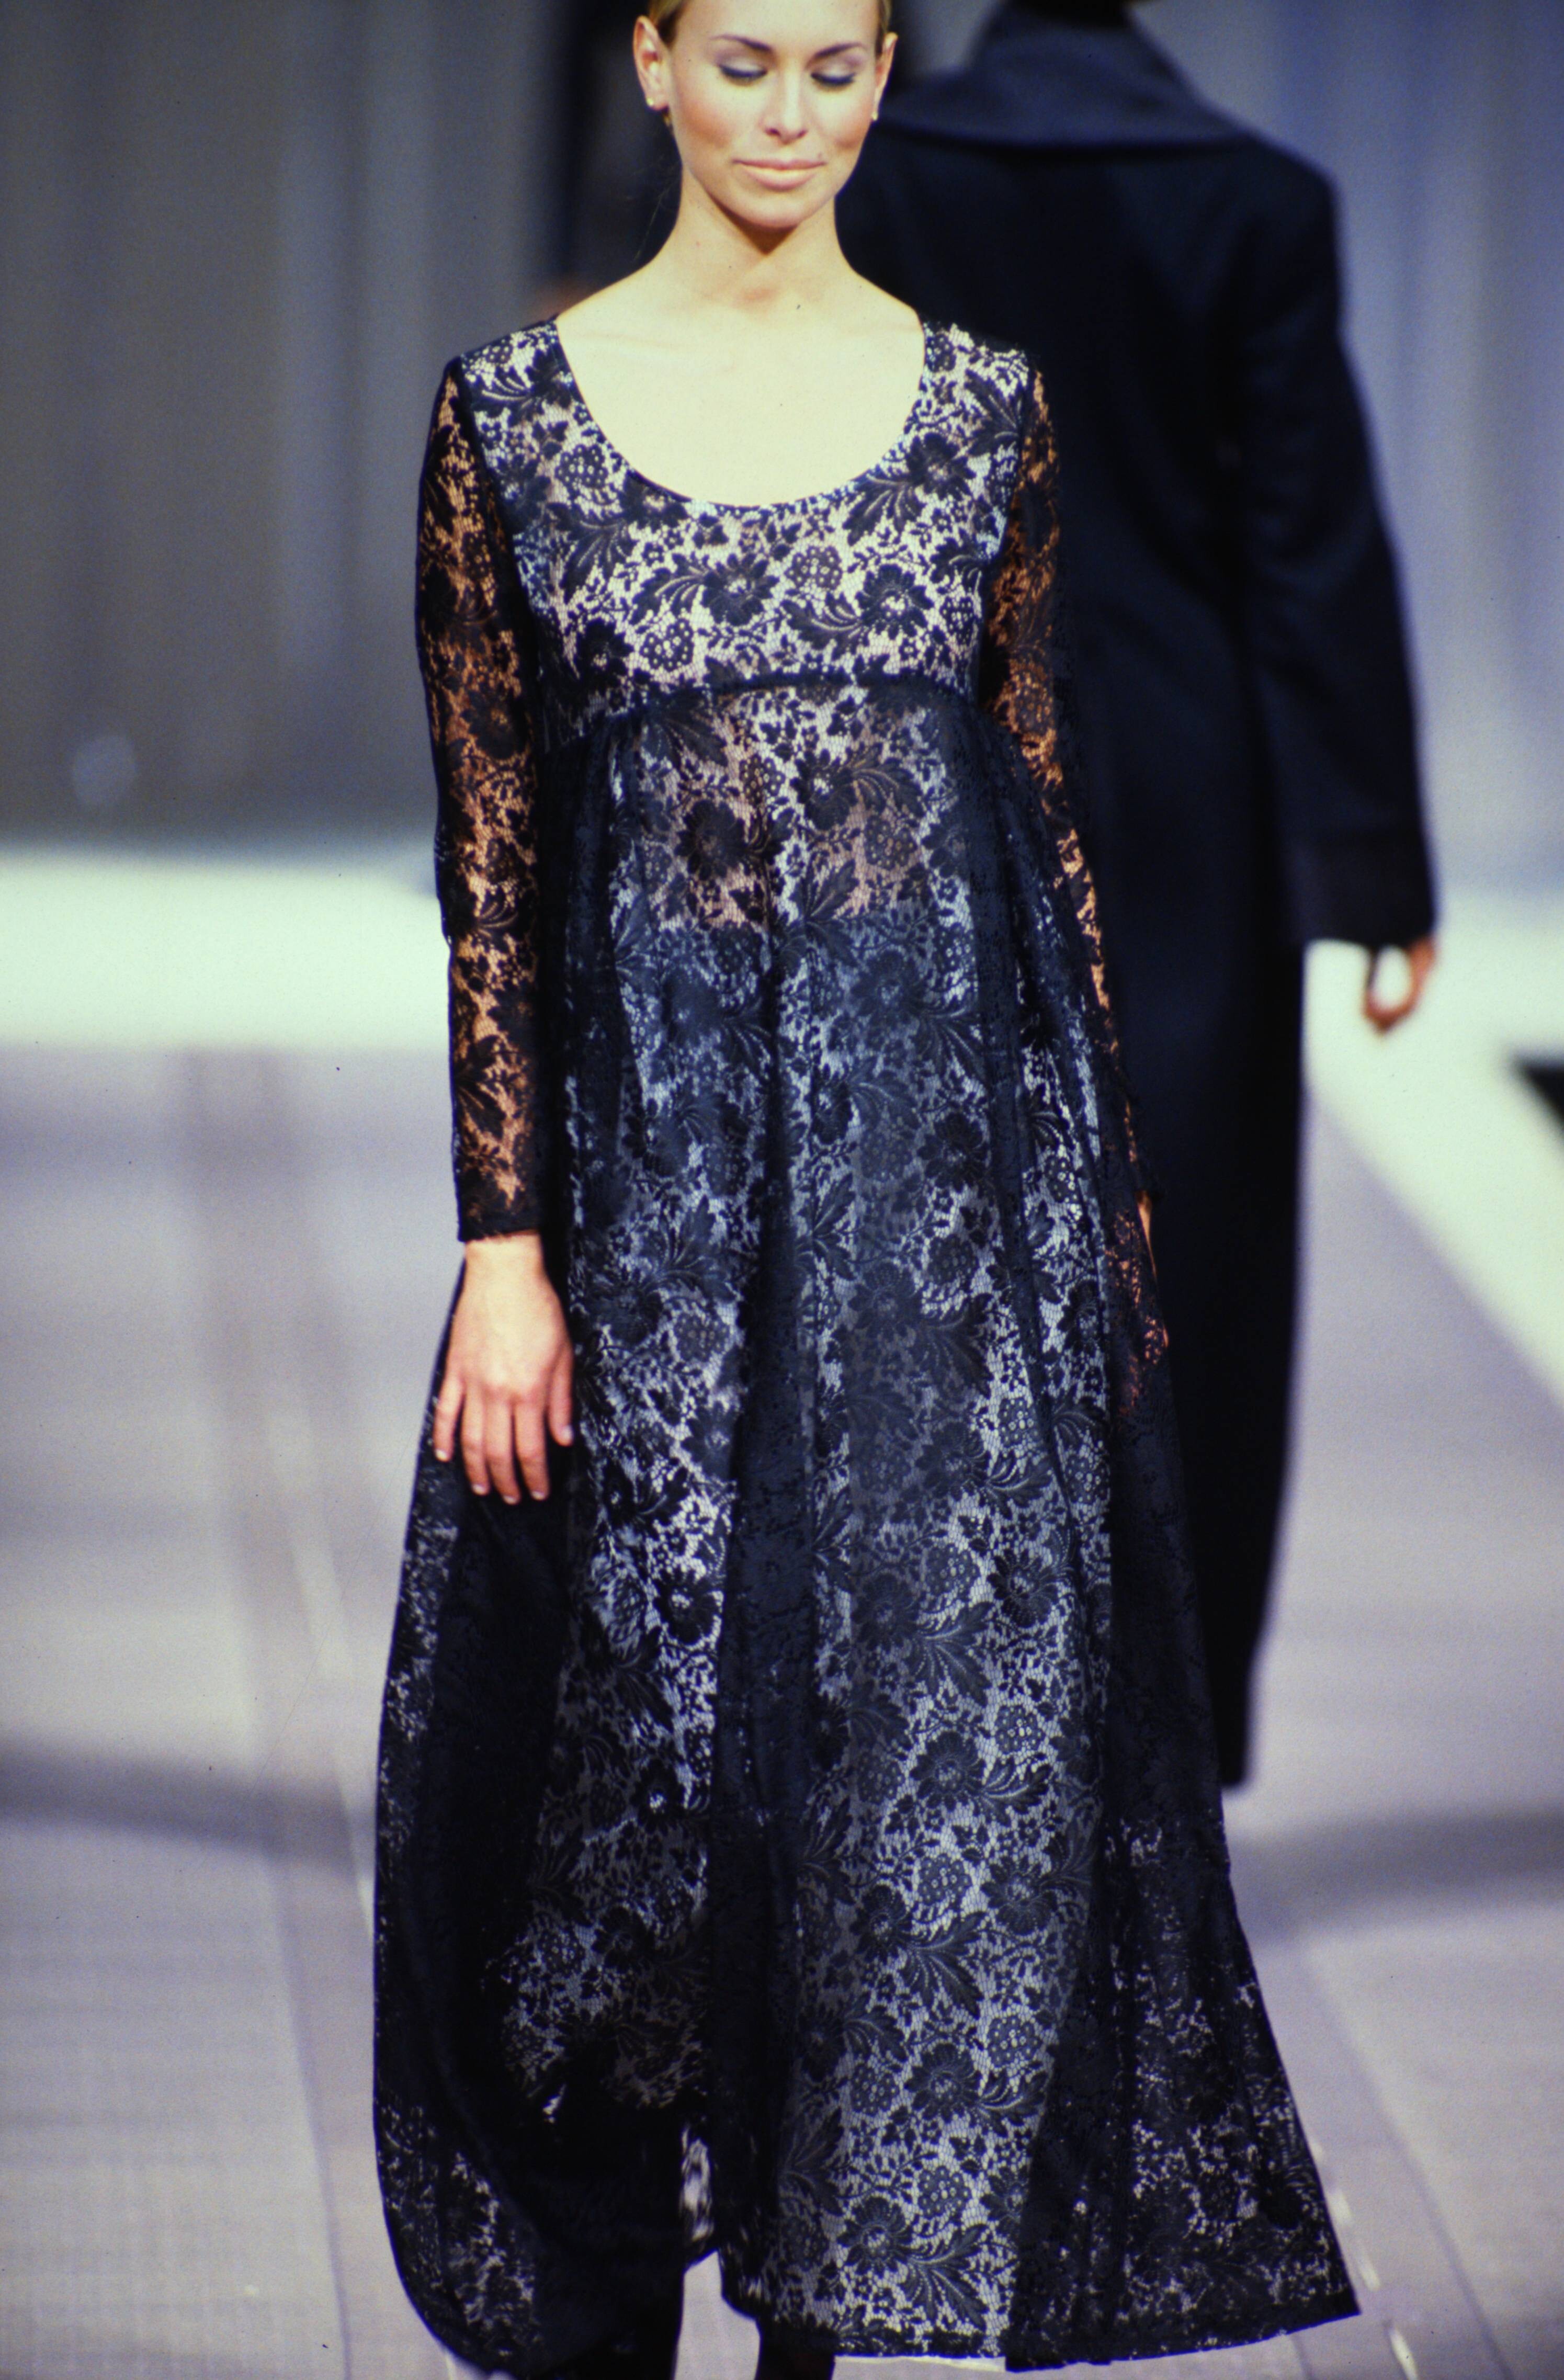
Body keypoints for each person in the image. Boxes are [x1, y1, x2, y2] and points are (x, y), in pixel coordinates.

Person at [373, 4, 1355, 2375]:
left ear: (890, 73)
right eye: (744, 63)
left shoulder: (977, 417)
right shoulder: (514, 424)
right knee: (613, 1810)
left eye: (834, 67)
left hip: (921, 1234)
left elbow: (1038, 840)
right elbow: (491, 874)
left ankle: (809, 2332)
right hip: (644, 1242)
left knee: (878, 1803)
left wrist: (1094, 1242)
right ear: (650, 62)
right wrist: (503, 1247)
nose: (789, 117)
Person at [838, 0, 1438, 1784]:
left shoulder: (885, 175)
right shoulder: (1251, 201)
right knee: (1192, 1263)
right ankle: (1156, 1743)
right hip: (1187, 796)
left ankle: (930, 1724)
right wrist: (1370, 866)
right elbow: (1307, 542)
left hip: (928, 754)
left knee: (921, 1233)